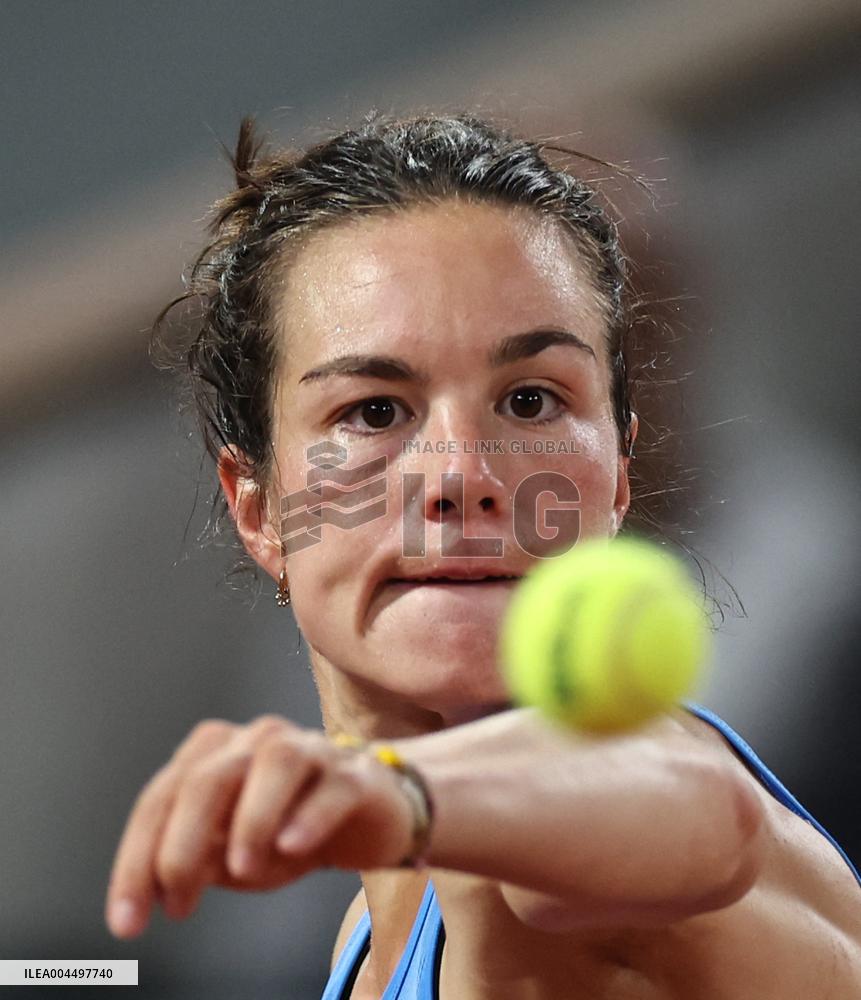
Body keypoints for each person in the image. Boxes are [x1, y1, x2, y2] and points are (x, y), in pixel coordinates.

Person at [105, 111, 861, 998]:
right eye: (374, 412)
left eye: (532, 402)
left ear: (619, 477)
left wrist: (399, 796)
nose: (461, 473)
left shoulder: (599, 869)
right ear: (258, 508)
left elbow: (697, 817)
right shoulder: (366, 935)